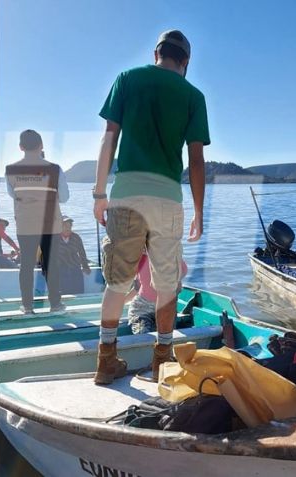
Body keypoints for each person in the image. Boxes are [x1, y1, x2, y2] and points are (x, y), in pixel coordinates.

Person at [91, 30, 209, 385]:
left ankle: (106, 360)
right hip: (167, 200)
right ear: (185, 61)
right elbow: (196, 159)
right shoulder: (193, 95)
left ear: (156, 53)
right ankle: (162, 360)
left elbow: (109, 137)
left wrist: (99, 193)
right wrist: (199, 211)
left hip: (126, 194)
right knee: (167, 284)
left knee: (117, 282)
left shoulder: (128, 79)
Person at [5, 129, 70, 314]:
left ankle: (27, 306)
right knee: (51, 264)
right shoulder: (55, 169)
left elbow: (12, 194)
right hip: (50, 224)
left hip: (25, 224)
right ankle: (55, 305)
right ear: (41, 145)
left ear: (21, 147)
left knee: (26, 265)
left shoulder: (10, 170)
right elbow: (64, 198)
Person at [125, 250, 188, 335]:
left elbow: (178, 287)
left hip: (166, 308)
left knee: (165, 337)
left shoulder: (173, 257)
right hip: (142, 309)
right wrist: (120, 303)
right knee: (145, 335)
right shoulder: (141, 258)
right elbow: (137, 288)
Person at [56, 215, 91, 295]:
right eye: (65, 226)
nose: (68, 228)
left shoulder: (76, 237)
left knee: (79, 293)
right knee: (64, 293)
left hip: (75, 269)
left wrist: (85, 266)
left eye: (69, 226)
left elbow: (82, 253)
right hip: (61, 270)